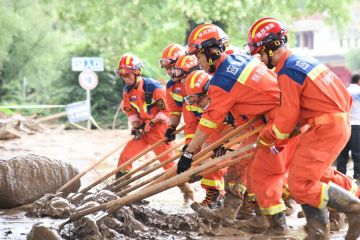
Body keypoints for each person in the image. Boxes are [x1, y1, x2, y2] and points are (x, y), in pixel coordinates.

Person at [177, 23, 298, 236]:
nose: (198, 62)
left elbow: (208, 123)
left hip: (280, 120)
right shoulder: (236, 60)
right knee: (241, 168)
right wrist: (219, 146)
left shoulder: (224, 81)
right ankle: (240, 213)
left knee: (266, 172)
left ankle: (278, 224)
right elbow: (230, 120)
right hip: (264, 120)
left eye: (198, 56)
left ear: (212, 52)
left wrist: (188, 155)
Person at [247, 17, 360, 239]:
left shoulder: (287, 71)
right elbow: (341, 98)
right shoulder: (304, 61)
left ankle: (353, 208)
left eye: (260, 52)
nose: (259, 59)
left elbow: (287, 119)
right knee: (312, 176)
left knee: (299, 183)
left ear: (271, 48)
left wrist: (269, 137)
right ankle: (318, 231)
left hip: (324, 129)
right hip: (334, 125)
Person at [114, 53, 193, 203]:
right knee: (125, 156)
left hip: (159, 130)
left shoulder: (155, 88)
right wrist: (137, 126)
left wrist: (150, 123)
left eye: (127, 74)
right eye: (121, 75)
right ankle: (119, 191)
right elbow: (131, 112)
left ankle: (187, 190)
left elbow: (167, 111)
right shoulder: (127, 91)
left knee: (168, 164)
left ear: (137, 72)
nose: (124, 78)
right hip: (143, 130)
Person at [337, 70, 360, 184]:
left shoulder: (344, 91)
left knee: (342, 153)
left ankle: (341, 178)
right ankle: (358, 177)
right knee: (357, 153)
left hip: (343, 125)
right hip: (357, 125)